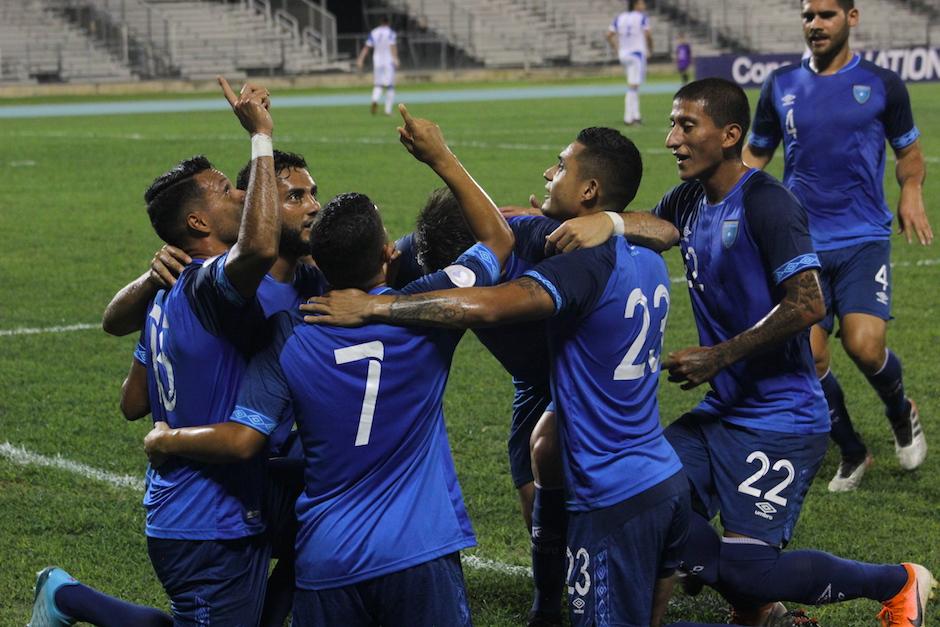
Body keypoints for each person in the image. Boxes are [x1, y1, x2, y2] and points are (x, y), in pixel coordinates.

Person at [143, 104, 514, 626]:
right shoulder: (426, 317)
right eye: (296, 196)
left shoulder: (287, 335)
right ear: (388, 254)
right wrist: (441, 158)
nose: (308, 205)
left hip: (325, 554)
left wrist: (163, 437)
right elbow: (497, 240)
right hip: (418, 546)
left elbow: (237, 432)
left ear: (319, 260)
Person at [303, 128, 692, 627]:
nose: (548, 173)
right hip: (611, 430)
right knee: (541, 459)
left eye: (560, 166)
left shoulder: (562, 257)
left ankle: (718, 568)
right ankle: (548, 603)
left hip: (602, 455)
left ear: (590, 190)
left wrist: (381, 310)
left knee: (555, 465)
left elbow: (492, 306)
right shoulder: (576, 241)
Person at [654, 77, 934, 626]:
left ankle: (899, 581)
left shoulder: (768, 203)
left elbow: (807, 303)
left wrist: (720, 356)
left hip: (780, 418)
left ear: (730, 134)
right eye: (673, 124)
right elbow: (649, 229)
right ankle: (762, 613)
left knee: (746, 571)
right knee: (648, 498)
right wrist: (578, 220)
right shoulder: (687, 200)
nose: (672, 139)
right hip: (723, 413)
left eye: (687, 125)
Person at [29, 76, 281, 627]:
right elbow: (260, 245)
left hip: (177, 512)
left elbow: (132, 400)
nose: (237, 193)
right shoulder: (209, 284)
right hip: (210, 520)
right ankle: (66, 598)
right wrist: (261, 136)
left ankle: (66, 597)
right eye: (223, 190)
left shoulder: (164, 294)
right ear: (197, 222)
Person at [393, 181, 679, 627]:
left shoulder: (533, 237)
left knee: (558, 457)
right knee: (533, 488)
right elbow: (378, 264)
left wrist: (609, 221)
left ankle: (697, 559)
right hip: (532, 379)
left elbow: (663, 230)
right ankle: (553, 596)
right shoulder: (426, 247)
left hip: (577, 369)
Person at [743, 0, 933, 492]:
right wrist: (727, 207)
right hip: (801, 241)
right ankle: (852, 451)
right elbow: (755, 156)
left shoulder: (884, 85)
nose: (815, 24)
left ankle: (899, 410)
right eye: (808, 16)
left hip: (862, 237)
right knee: (808, 357)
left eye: (826, 15)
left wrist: (910, 190)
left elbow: (909, 152)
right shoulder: (780, 85)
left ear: (851, 18)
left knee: (865, 346)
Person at [607, 0, 652, 125]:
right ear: (636, 5)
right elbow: (648, 34)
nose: (644, 5)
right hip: (636, 54)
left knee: (633, 85)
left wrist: (616, 48)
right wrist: (650, 48)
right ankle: (629, 117)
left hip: (624, 55)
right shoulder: (641, 17)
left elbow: (609, 34)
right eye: (642, 3)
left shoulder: (620, 17)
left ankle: (636, 115)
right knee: (633, 86)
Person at [357, 15, 399, 116]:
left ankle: (375, 99)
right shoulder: (391, 32)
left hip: (377, 62)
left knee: (378, 84)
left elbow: (367, 47)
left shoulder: (374, 32)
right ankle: (388, 110)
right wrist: (396, 59)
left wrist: (360, 59)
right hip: (388, 61)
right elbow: (392, 45)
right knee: (390, 86)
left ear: (380, 22)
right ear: (388, 22)